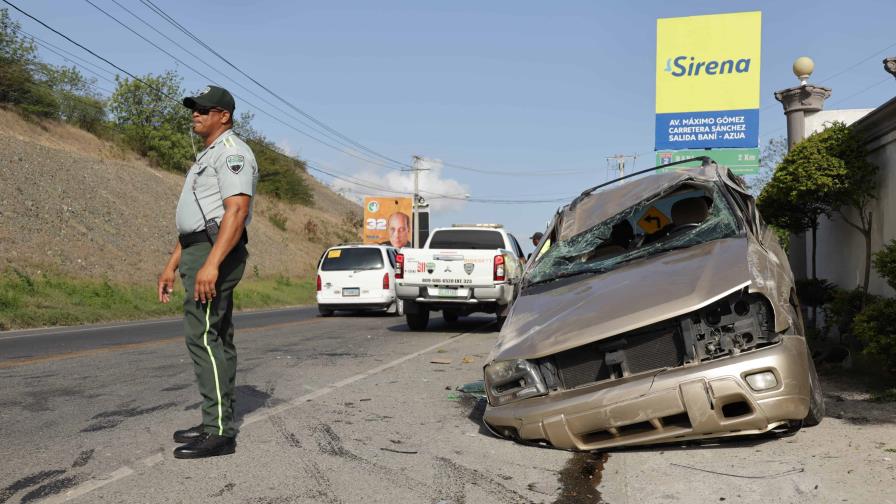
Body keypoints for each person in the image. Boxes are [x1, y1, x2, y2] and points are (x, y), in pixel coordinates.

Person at [157, 85, 258, 459]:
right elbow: (196, 221)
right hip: (198, 247)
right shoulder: (208, 156)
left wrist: (212, 264)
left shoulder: (233, 154)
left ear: (224, 116)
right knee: (217, 336)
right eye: (193, 109)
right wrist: (171, 265)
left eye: (203, 109)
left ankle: (219, 431)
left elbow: (235, 212)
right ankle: (214, 419)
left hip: (214, 252)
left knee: (203, 335)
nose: (195, 114)